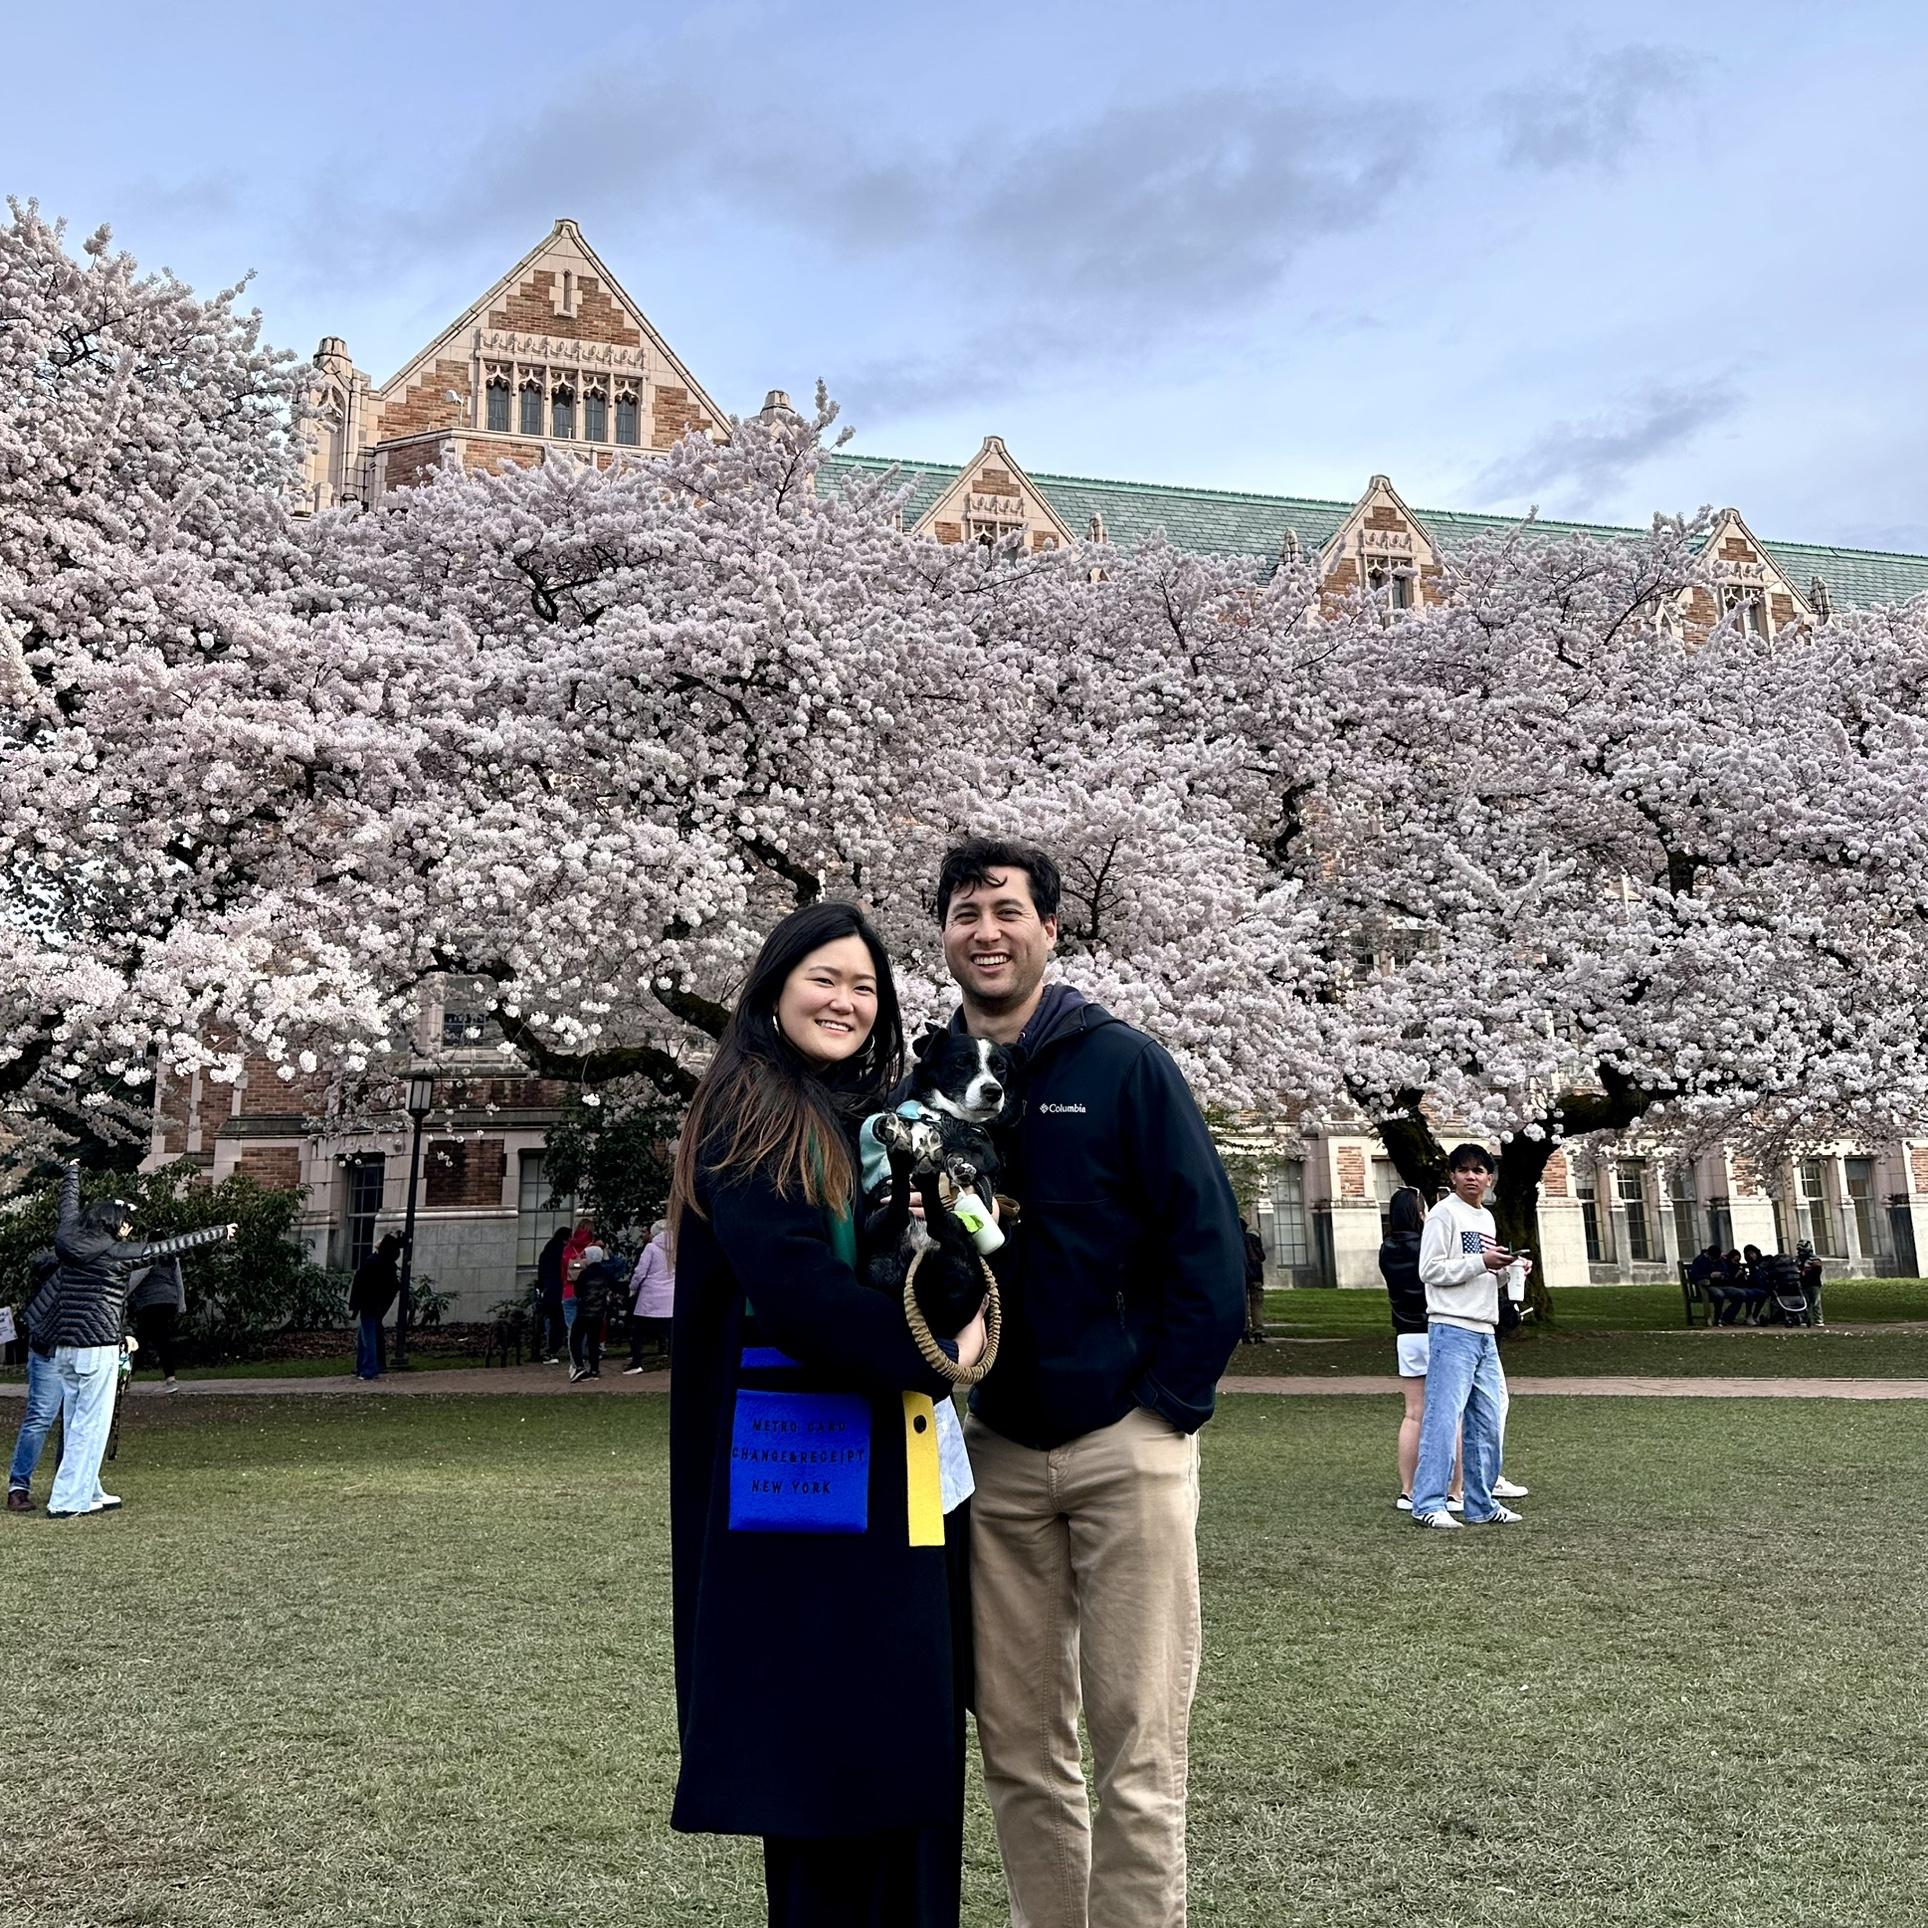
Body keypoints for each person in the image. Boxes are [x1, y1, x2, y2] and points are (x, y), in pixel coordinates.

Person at [933, 836, 1244, 1928]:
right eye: (965, 911)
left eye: (1006, 910)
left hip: (1127, 1443)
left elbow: (1208, 1243)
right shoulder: (929, 1082)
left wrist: (1167, 1402)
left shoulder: (1121, 1062)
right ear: (943, 933)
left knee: (1137, 1736)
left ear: (1048, 929)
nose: (986, 929)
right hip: (997, 1448)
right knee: (1018, 1740)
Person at [669, 899, 987, 1927]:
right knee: (832, 1779)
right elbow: (799, 1294)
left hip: (883, 1483)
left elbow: (909, 1263)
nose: (846, 1001)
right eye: (824, 978)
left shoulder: (856, 1113)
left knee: (895, 1765)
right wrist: (935, 1355)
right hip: (799, 1491)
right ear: (772, 987)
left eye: (864, 986)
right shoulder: (750, 1106)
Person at [44, 1165, 235, 1520]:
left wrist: (72, 1173)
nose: (127, 1229)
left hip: (66, 1348)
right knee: (90, 1425)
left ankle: (88, 1489)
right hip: (97, 1347)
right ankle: (68, 1499)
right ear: (110, 1224)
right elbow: (169, 1246)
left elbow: (68, 1203)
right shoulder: (115, 1254)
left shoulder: (68, 1237)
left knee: (75, 1422)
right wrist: (218, 1232)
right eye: (123, 1223)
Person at [1410, 1143, 1528, 1530]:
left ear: (1490, 1177)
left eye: (1479, 1170)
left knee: (1489, 1419)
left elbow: (1479, 1276)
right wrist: (1482, 1261)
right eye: (1464, 1170)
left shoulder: (1487, 1219)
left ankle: (1480, 1502)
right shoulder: (1443, 1214)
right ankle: (1428, 1502)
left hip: (1484, 1329)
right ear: (1452, 1176)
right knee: (1444, 1417)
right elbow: (1430, 1270)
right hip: (1451, 1327)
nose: (1472, 1177)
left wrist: (1507, 1270)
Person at [1379, 1185, 1466, 1515]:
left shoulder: (1387, 1249)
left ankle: (1409, 1489)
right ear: (1419, 1213)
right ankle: (1455, 1490)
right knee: (1452, 1412)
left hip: (1406, 1335)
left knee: (1413, 1413)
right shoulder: (1426, 1246)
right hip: (1437, 1328)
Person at [6, 1250, 63, 1513]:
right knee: (41, 1417)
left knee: (70, 1421)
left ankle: (65, 1484)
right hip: (50, 1352)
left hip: (65, 1351)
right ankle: (19, 1486)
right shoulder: (53, 1274)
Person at [126, 1254, 187, 1391]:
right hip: (168, 1300)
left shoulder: (147, 1258)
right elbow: (178, 1281)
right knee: (162, 1339)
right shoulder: (172, 1259)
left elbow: (135, 1279)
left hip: (150, 1302)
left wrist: (122, 1294)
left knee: (142, 1340)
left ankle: (129, 1376)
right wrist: (181, 1303)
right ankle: (170, 1377)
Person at [348, 1232, 403, 1380]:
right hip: (376, 1304)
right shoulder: (386, 1265)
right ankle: (363, 1367)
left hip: (369, 1304)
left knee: (367, 1336)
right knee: (364, 1335)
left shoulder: (373, 1263)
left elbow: (361, 1284)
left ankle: (369, 1369)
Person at [624, 1220, 674, 1373]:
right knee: (670, 1330)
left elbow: (640, 1271)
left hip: (650, 1296)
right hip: (670, 1296)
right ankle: (672, 1359)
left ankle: (637, 1362)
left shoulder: (651, 1248)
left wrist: (632, 1287)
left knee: (638, 1329)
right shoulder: (676, 1247)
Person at [569, 1243, 622, 1381]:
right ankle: (594, 1368)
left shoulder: (584, 1274)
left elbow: (578, 1292)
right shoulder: (606, 1273)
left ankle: (579, 1366)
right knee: (594, 1341)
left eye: (585, 1256)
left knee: (575, 1339)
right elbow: (616, 1286)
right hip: (599, 1313)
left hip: (584, 1312)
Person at [534, 1224, 569, 1364]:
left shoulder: (548, 1250)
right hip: (560, 1289)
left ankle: (550, 1350)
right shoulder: (563, 1251)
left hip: (549, 1290)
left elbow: (541, 1272)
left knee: (552, 1321)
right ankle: (554, 1349)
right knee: (559, 1322)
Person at [1240, 1217, 1267, 1345]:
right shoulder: (1254, 1239)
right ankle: (1258, 1332)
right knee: (1257, 1304)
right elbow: (1262, 1256)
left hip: (1241, 1276)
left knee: (1243, 1304)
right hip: (1256, 1276)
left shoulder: (1234, 1240)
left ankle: (1244, 1332)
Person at [1795, 1239, 1826, 1327]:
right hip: (1803, 1283)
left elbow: (1817, 1271)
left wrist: (1805, 1272)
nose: (1800, 1252)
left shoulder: (1815, 1259)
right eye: (1799, 1250)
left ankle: (1818, 1320)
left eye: (1802, 1250)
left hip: (1813, 1284)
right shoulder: (1797, 1260)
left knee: (1816, 1302)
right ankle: (1804, 1319)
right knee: (1805, 1302)